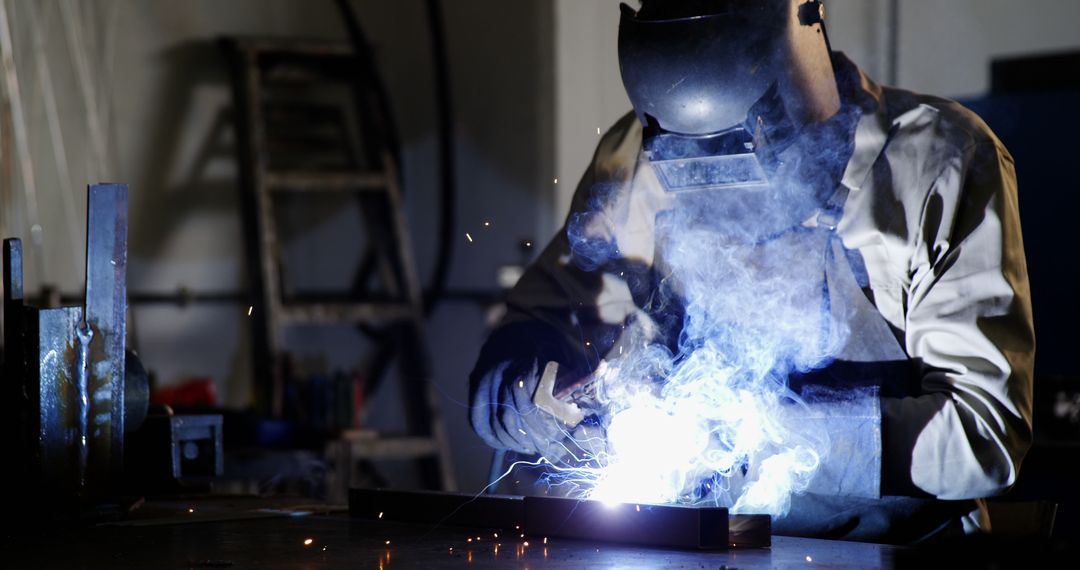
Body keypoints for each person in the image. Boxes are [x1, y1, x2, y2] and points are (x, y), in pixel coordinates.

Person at [469, 0, 1033, 544]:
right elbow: (539, 320)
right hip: (702, 550)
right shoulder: (635, 157)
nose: (719, 180)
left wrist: (762, 434)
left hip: (896, 555)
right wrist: (523, 386)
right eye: (686, 155)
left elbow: (985, 434)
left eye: (748, 145)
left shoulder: (936, 162)